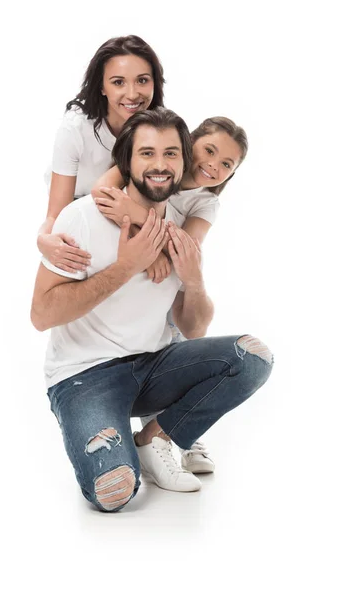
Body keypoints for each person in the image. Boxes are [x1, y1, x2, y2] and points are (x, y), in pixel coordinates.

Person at [31, 107, 273, 513]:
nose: (160, 165)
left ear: (183, 162)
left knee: (253, 358)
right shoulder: (85, 217)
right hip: (85, 376)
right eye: (147, 154)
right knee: (115, 492)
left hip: (154, 364)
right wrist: (127, 265)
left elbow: (191, 329)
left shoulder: (185, 226)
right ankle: (120, 444)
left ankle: (156, 437)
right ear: (127, 159)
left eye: (170, 155)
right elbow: (40, 316)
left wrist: (192, 278)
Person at [92, 116, 248, 474]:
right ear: (189, 143)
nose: (214, 165)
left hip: (166, 288)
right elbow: (103, 191)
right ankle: (168, 433)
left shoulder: (205, 203)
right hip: (126, 280)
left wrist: (134, 214)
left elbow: (186, 249)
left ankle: (179, 435)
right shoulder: (156, 163)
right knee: (144, 350)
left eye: (227, 164)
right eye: (209, 151)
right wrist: (158, 240)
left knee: (172, 348)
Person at [37, 34, 165, 270]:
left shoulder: (158, 127)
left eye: (142, 80)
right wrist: (43, 239)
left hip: (128, 206)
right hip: (79, 205)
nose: (133, 94)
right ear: (102, 87)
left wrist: (151, 244)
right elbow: (57, 213)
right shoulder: (75, 128)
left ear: (155, 82)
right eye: (118, 82)